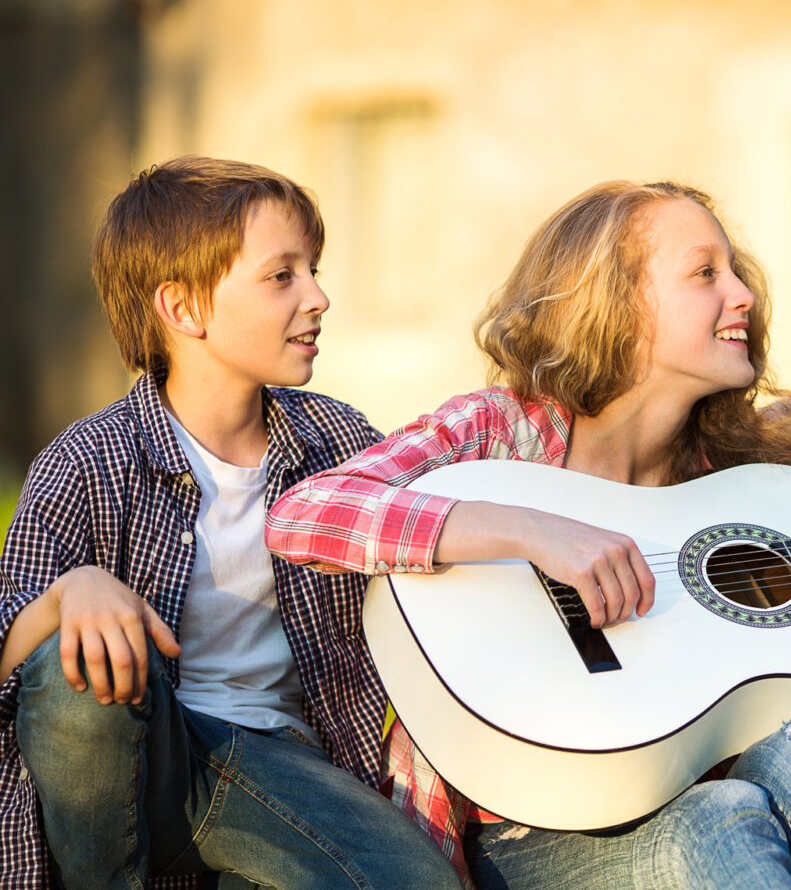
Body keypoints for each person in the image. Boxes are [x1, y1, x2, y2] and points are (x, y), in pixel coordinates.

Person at [264, 179, 791, 890]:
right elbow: (305, 512)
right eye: (705, 273)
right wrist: (532, 532)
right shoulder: (499, 429)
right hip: (525, 838)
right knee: (722, 817)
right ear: (616, 305)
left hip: (705, 800)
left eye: (735, 270)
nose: (743, 293)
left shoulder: (738, 488)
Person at [0, 158, 460, 889]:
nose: (319, 296)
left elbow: (439, 543)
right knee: (70, 665)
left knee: (417, 880)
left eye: (313, 269)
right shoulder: (87, 461)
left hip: (283, 767)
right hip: (134, 768)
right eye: (283, 276)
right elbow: (10, 667)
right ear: (184, 310)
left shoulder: (339, 444)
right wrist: (72, 592)